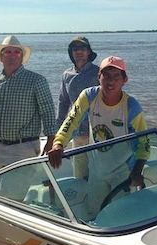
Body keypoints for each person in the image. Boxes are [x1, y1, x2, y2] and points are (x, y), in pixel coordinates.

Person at [48, 56, 149, 217]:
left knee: (120, 216)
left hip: (122, 173)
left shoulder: (131, 106)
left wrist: (137, 171)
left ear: (125, 80)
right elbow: (71, 122)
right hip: (97, 171)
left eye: (116, 77)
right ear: (98, 77)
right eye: (106, 76)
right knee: (95, 213)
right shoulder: (88, 96)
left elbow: (144, 143)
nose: (110, 81)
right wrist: (58, 144)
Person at [0, 35, 57, 171]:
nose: (12, 56)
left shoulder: (36, 81)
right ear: (1, 57)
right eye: (7, 52)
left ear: (22, 57)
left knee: (17, 191)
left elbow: (48, 112)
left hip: (24, 148)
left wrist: (51, 141)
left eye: (16, 52)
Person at [57, 36, 100, 178]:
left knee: (98, 173)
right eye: (75, 49)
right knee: (80, 174)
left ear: (89, 52)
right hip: (76, 132)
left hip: (96, 131)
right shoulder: (66, 75)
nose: (79, 52)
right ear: (71, 53)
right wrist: (59, 130)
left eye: (82, 48)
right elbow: (63, 102)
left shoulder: (99, 72)